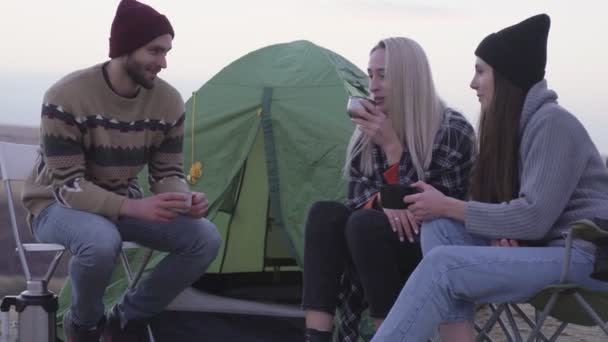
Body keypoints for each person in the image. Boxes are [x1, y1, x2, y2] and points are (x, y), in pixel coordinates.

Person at [372, 14, 608, 342]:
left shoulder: (553, 124)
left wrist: (448, 205)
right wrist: (503, 230)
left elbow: (534, 216)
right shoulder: (516, 131)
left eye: (480, 71)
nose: (472, 83)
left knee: (443, 264)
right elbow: (525, 217)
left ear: (508, 76)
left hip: (587, 258)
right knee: (439, 228)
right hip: (549, 251)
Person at [21, 1, 222, 341]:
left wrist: (184, 199)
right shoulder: (65, 96)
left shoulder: (168, 102)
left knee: (204, 238)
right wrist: (132, 207)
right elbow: (67, 186)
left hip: (120, 204)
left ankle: (125, 319)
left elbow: (167, 171)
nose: (163, 62)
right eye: (155, 51)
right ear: (125, 48)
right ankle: (84, 326)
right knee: (101, 241)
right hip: (55, 206)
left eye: (166, 51)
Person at [301, 37, 476, 342]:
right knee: (324, 214)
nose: (373, 85)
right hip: (373, 244)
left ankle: (392, 335)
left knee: (365, 224)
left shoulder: (451, 130)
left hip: (435, 248)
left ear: (409, 78)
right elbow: (357, 198)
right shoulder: (366, 134)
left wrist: (393, 149)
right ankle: (316, 336)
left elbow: (426, 211)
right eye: (371, 75)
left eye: (384, 75)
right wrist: (385, 198)